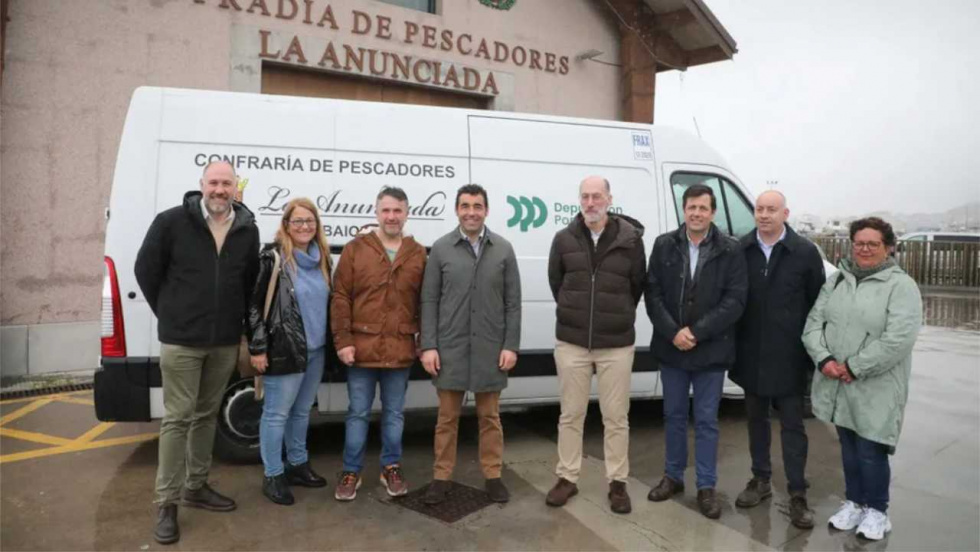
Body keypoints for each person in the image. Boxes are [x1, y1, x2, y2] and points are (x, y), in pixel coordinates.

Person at [134, 160, 260, 545]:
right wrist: (172, 314)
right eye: (214, 182)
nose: (220, 189)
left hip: (223, 341)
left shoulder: (246, 229)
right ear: (201, 185)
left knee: (206, 415)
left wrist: (239, 330)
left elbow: (249, 282)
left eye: (227, 183)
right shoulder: (171, 222)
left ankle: (197, 485)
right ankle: (167, 503)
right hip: (182, 341)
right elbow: (145, 271)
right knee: (177, 418)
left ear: (236, 187)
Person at [803, 217, 922, 541]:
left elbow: (899, 339)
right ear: (851, 245)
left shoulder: (901, 287)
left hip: (875, 385)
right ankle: (854, 502)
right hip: (838, 381)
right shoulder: (838, 280)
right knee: (849, 446)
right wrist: (825, 359)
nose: (865, 249)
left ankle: (878, 511)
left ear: (888, 248)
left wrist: (854, 366)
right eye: (859, 243)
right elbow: (814, 322)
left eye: (873, 244)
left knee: (871, 448)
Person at [644, 183, 747, 519]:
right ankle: (673, 477)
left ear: (712, 212)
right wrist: (674, 332)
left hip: (710, 352)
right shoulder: (664, 245)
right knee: (673, 417)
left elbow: (735, 301)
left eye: (703, 208)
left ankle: (706, 486)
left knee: (706, 421)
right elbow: (653, 293)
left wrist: (696, 332)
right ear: (683, 210)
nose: (697, 213)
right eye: (691, 207)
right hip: (672, 349)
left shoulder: (730, 250)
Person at [544, 176, 646, 514]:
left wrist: (612, 316)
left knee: (616, 417)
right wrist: (578, 316)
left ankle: (617, 483)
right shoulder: (563, 240)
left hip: (615, 344)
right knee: (571, 414)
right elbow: (557, 283)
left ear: (609, 199)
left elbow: (636, 287)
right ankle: (567, 478)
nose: (590, 203)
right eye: (585, 197)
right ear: (579, 200)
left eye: (597, 196)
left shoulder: (630, 242)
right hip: (572, 342)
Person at [419, 184, 521, 505]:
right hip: (450, 350)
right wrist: (430, 346)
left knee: (490, 418)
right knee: (446, 420)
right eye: (465, 206)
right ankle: (441, 477)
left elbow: (513, 304)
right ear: (457, 210)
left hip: (491, 350)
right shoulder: (441, 249)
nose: (471, 212)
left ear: (486, 210)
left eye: (477, 206)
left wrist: (510, 345)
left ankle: (492, 476)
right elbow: (429, 300)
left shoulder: (503, 249)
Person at [730, 191, 825, 529]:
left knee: (793, 427)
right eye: (759, 209)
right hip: (751, 354)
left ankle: (797, 493)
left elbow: (818, 306)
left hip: (790, 357)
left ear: (785, 213)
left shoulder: (804, 253)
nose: (765, 215)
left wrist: (813, 353)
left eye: (772, 209)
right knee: (755, 422)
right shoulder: (740, 249)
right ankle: (761, 480)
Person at [331, 187, 427, 501]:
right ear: (376, 213)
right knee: (357, 413)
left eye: (397, 211)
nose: (391, 217)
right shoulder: (356, 249)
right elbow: (341, 297)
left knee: (394, 414)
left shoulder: (417, 254)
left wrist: (424, 341)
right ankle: (351, 471)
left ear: (407, 213)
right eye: (386, 210)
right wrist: (343, 340)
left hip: (399, 350)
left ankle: (391, 467)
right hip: (360, 349)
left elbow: (426, 302)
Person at [247, 198, 333, 506]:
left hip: (316, 350)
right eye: (298, 221)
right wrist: (258, 348)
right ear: (286, 225)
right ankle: (273, 474)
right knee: (275, 414)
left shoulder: (322, 258)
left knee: (301, 412)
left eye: (310, 221)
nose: (305, 226)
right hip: (284, 350)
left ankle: (297, 464)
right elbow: (254, 306)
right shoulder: (273, 258)